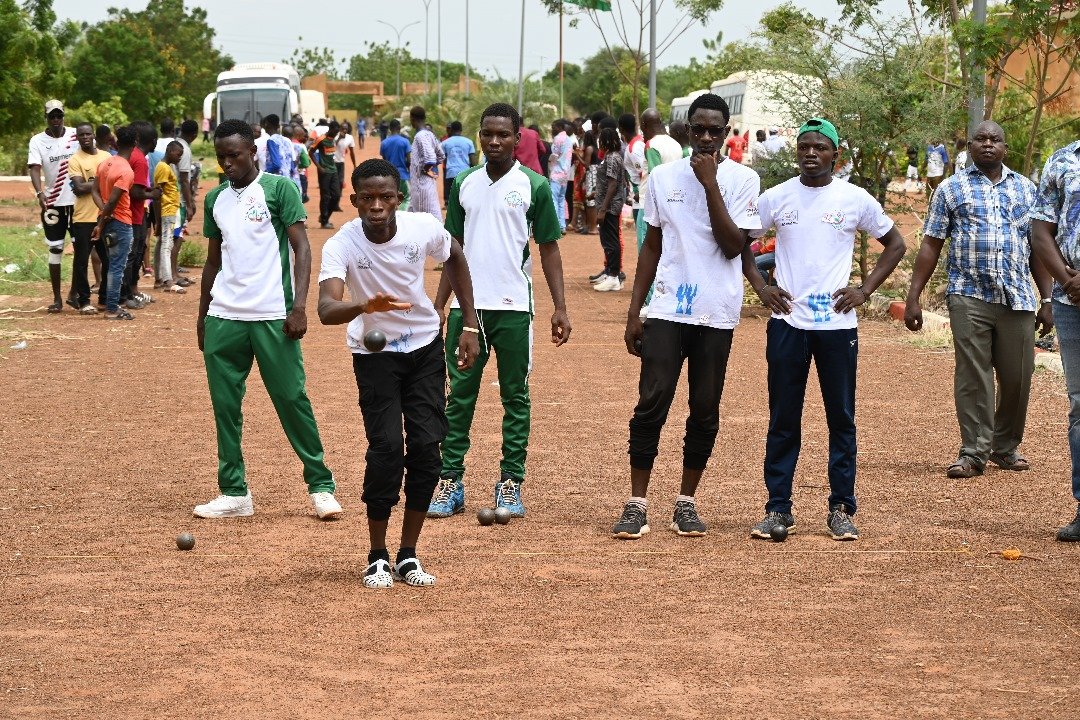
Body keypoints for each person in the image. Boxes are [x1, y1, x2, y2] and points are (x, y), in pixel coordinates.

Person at [317, 158, 480, 588]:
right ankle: (376, 554)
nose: (376, 206)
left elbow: (456, 256)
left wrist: (468, 323)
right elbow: (327, 310)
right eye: (367, 198)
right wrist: (364, 306)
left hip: (424, 348)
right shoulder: (341, 244)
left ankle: (408, 554)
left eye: (385, 197)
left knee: (427, 447)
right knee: (387, 447)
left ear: (398, 199)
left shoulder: (421, 227)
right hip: (375, 357)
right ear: (353, 200)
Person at [748, 117, 904, 542]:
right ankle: (778, 509)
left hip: (837, 325)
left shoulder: (854, 199)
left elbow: (896, 244)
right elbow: (742, 242)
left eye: (820, 147)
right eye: (804, 146)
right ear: (796, 152)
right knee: (784, 418)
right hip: (788, 323)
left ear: (837, 154)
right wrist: (763, 288)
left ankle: (841, 508)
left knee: (841, 418)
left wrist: (865, 290)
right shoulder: (777, 197)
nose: (811, 153)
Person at [613, 93, 761, 540]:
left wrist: (711, 183)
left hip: (716, 310)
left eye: (715, 130)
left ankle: (686, 502)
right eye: (698, 128)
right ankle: (637, 503)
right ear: (686, 127)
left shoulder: (743, 179)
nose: (706, 137)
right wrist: (634, 311)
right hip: (667, 306)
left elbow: (734, 244)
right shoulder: (661, 177)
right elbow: (652, 246)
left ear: (726, 130)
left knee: (704, 409)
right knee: (651, 403)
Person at [426, 103, 571, 520]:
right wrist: (439, 305)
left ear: (517, 136)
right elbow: (452, 249)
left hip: (512, 310)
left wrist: (559, 307)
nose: (494, 141)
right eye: (487, 133)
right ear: (479, 135)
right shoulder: (464, 184)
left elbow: (549, 248)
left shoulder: (534, 186)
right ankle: (450, 480)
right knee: (459, 398)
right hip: (466, 310)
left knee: (515, 397)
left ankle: (510, 482)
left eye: (502, 134)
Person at [192, 119, 341, 521]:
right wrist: (203, 315)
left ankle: (321, 485)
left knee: (292, 399)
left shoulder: (279, 189)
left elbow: (303, 249)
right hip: (225, 315)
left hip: (273, 315)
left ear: (252, 152)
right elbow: (212, 262)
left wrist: (299, 307)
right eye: (221, 156)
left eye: (234, 155)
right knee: (225, 406)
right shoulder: (215, 200)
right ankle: (234, 492)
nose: (227, 163)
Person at [905, 120, 1050, 479]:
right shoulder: (951, 190)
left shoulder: (1026, 190)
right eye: (980, 139)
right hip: (968, 294)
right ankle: (973, 452)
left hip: (1017, 296)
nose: (987, 144)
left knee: (1019, 375)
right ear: (970, 145)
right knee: (974, 374)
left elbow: (1038, 248)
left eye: (994, 139)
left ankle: (1005, 446)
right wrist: (913, 295)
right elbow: (931, 244)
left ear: (1005, 146)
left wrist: (1046, 297)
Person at [1029, 139, 1080, 541]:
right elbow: (1041, 229)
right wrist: (1066, 281)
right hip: (1072, 300)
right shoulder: (1062, 160)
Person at [28, 100, 79, 313]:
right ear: (46, 118)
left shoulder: (76, 135)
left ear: (64, 116)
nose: (56, 120)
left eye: (59, 115)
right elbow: (34, 168)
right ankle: (57, 298)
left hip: (78, 203)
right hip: (53, 203)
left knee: (81, 249)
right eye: (52, 116)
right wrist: (40, 192)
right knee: (55, 248)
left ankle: (74, 294)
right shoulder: (37, 140)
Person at [93, 125, 137, 320]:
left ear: (116, 142)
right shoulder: (126, 171)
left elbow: (95, 191)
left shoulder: (105, 163)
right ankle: (112, 308)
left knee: (111, 264)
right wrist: (102, 221)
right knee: (117, 266)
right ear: (135, 144)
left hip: (106, 219)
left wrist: (102, 215)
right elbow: (113, 200)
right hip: (120, 222)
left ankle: (109, 303)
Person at [66, 122, 108, 314]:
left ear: (93, 136)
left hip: (105, 217)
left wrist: (90, 184)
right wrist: (102, 185)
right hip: (83, 218)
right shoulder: (75, 160)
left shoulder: (106, 157)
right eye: (81, 135)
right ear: (77, 137)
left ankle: (104, 298)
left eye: (88, 134)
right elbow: (78, 188)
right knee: (81, 261)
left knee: (108, 260)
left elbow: (86, 187)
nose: (85, 137)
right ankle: (84, 301)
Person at [594, 127, 629, 292]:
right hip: (605, 204)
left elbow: (613, 184)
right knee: (607, 240)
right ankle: (610, 273)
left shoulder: (613, 158)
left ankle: (614, 275)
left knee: (611, 241)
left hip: (610, 207)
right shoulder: (610, 156)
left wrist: (603, 209)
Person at [153, 140, 186, 294]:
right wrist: (158, 219)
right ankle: (168, 281)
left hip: (170, 209)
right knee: (167, 245)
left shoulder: (167, 167)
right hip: (167, 210)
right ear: (169, 151)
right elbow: (157, 194)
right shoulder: (163, 168)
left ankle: (159, 278)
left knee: (162, 243)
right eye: (178, 154)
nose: (179, 158)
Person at [408, 106, 444, 221]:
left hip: (421, 186)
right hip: (425, 184)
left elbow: (431, 157)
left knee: (425, 220)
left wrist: (425, 170)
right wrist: (431, 170)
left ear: (412, 119)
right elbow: (441, 155)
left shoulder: (421, 136)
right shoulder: (430, 134)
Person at [619, 113, 647, 263]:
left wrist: (636, 192)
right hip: (639, 197)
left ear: (621, 128)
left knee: (643, 239)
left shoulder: (634, 147)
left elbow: (643, 172)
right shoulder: (638, 143)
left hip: (640, 199)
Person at [312, 120, 341, 229]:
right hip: (324, 171)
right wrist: (319, 167)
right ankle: (324, 221)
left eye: (337, 132)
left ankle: (324, 216)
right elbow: (311, 152)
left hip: (333, 170)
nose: (336, 134)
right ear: (331, 129)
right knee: (325, 196)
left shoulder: (333, 139)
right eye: (335, 131)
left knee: (336, 195)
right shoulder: (321, 139)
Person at [440, 120, 476, 205]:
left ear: (451, 130)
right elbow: (473, 161)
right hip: (465, 174)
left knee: (451, 202)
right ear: (461, 130)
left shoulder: (445, 143)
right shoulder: (468, 142)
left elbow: (442, 158)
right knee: (465, 199)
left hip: (450, 173)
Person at [548, 119, 574, 233]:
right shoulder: (568, 139)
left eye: (554, 126)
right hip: (565, 174)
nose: (552, 129)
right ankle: (562, 225)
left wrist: (550, 163)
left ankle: (554, 225)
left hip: (556, 173)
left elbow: (554, 156)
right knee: (561, 200)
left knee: (553, 199)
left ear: (559, 127)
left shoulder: (558, 139)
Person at [380, 119, 411, 211]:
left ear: (390, 128)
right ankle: (401, 216)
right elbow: (409, 160)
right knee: (406, 198)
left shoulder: (384, 142)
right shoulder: (405, 141)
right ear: (399, 128)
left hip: (389, 175)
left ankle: (392, 218)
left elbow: (384, 160)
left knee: (390, 198)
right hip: (402, 174)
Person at [263, 114, 296, 185]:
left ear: (267, 124)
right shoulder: (286, 140)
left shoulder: (271, 140)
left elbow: (276, 164)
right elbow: (292, 163)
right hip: (288, 178)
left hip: (277, 179)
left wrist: (265, 173)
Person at [334, 122, 356, 191]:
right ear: (340, 129)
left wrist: (354, 164)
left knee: (341, 181)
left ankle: (338, 195)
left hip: (341, 161)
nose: (344, 130)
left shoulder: (350, 138)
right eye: (343, 129)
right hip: (332, 161)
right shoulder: (335, 136)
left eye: (346, 129)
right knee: (334, 181)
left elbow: (352, 152)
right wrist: (339, 138)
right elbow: (332, 147)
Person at [292, 125, 311, 202]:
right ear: (299, 135)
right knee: (301, 197)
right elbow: (306, 163)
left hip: (289, 175)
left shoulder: (287, 143)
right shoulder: (301, 146)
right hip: (300, 174)